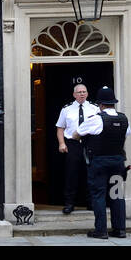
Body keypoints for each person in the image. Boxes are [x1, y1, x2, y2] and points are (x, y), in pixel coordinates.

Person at [75, 85, 130, 239]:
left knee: (98, 195)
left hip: (99, 163)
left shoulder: (96, 119)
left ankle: (101, 230)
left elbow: (76, 134)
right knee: (117, 195)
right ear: (114, 103)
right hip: (118, 163)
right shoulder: (124, 119)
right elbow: (127, 134)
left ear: (100, 104)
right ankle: (120, 230)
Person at [54, 81, 92, 214]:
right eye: (79, 92)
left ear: (87, 93)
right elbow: (60, 128)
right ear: (74, 95)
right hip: (72, 144)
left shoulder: (94, 108)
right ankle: (69, 204)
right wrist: (61, 143)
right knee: (71, 174)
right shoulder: (67, 109)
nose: (82, 94)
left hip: (89, 144)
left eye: (84, 92)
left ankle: (91, 202)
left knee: (90, 173)